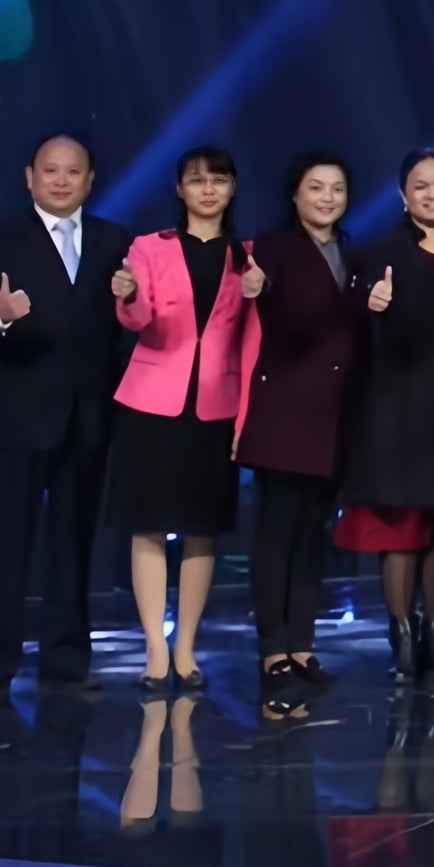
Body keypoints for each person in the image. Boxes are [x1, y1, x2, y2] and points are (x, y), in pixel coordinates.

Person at [0, 132, 132, 694]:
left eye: (73, 171)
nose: (61, 181)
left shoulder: (114, 241)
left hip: (87, 417)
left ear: (90, 180)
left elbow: (124, 329)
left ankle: (66, 661)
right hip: (17, 414)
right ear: (29, 177)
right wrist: (0, 316)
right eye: (50, 170)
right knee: (6, 547)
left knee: (74, 547)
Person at [107, 147, 258, 691]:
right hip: (151, 401)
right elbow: (139, 317)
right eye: (197, 180)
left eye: (219, 179)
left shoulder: (248, 257)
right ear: (179, 189)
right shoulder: (149, 247)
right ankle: (155, 646)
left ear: (233, 188)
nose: (208, 189)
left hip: (217, 402)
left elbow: (253, 341)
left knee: (203, 527)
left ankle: (187, 647)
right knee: (148, 522)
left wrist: (245, 418)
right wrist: (127, 297)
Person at [240, 152, 373, 707]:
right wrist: (259, 286)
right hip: (285, 412)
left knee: (313, 536)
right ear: (295, 194)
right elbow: (268, 299)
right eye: (315, 187)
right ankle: (273, 650)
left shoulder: (357, 255)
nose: (326, 198)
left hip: (336, 416)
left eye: (336, 188)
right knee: (277, 535)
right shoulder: (272, 249)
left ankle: (302, 644)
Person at [340, 149, 434, 677]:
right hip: (401, 410)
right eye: (421, 186)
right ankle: (402, 635)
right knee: (401, 529)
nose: (433, 194)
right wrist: (372, 304)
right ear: (403, 195)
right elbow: (359, 312)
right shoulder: (384, 254)